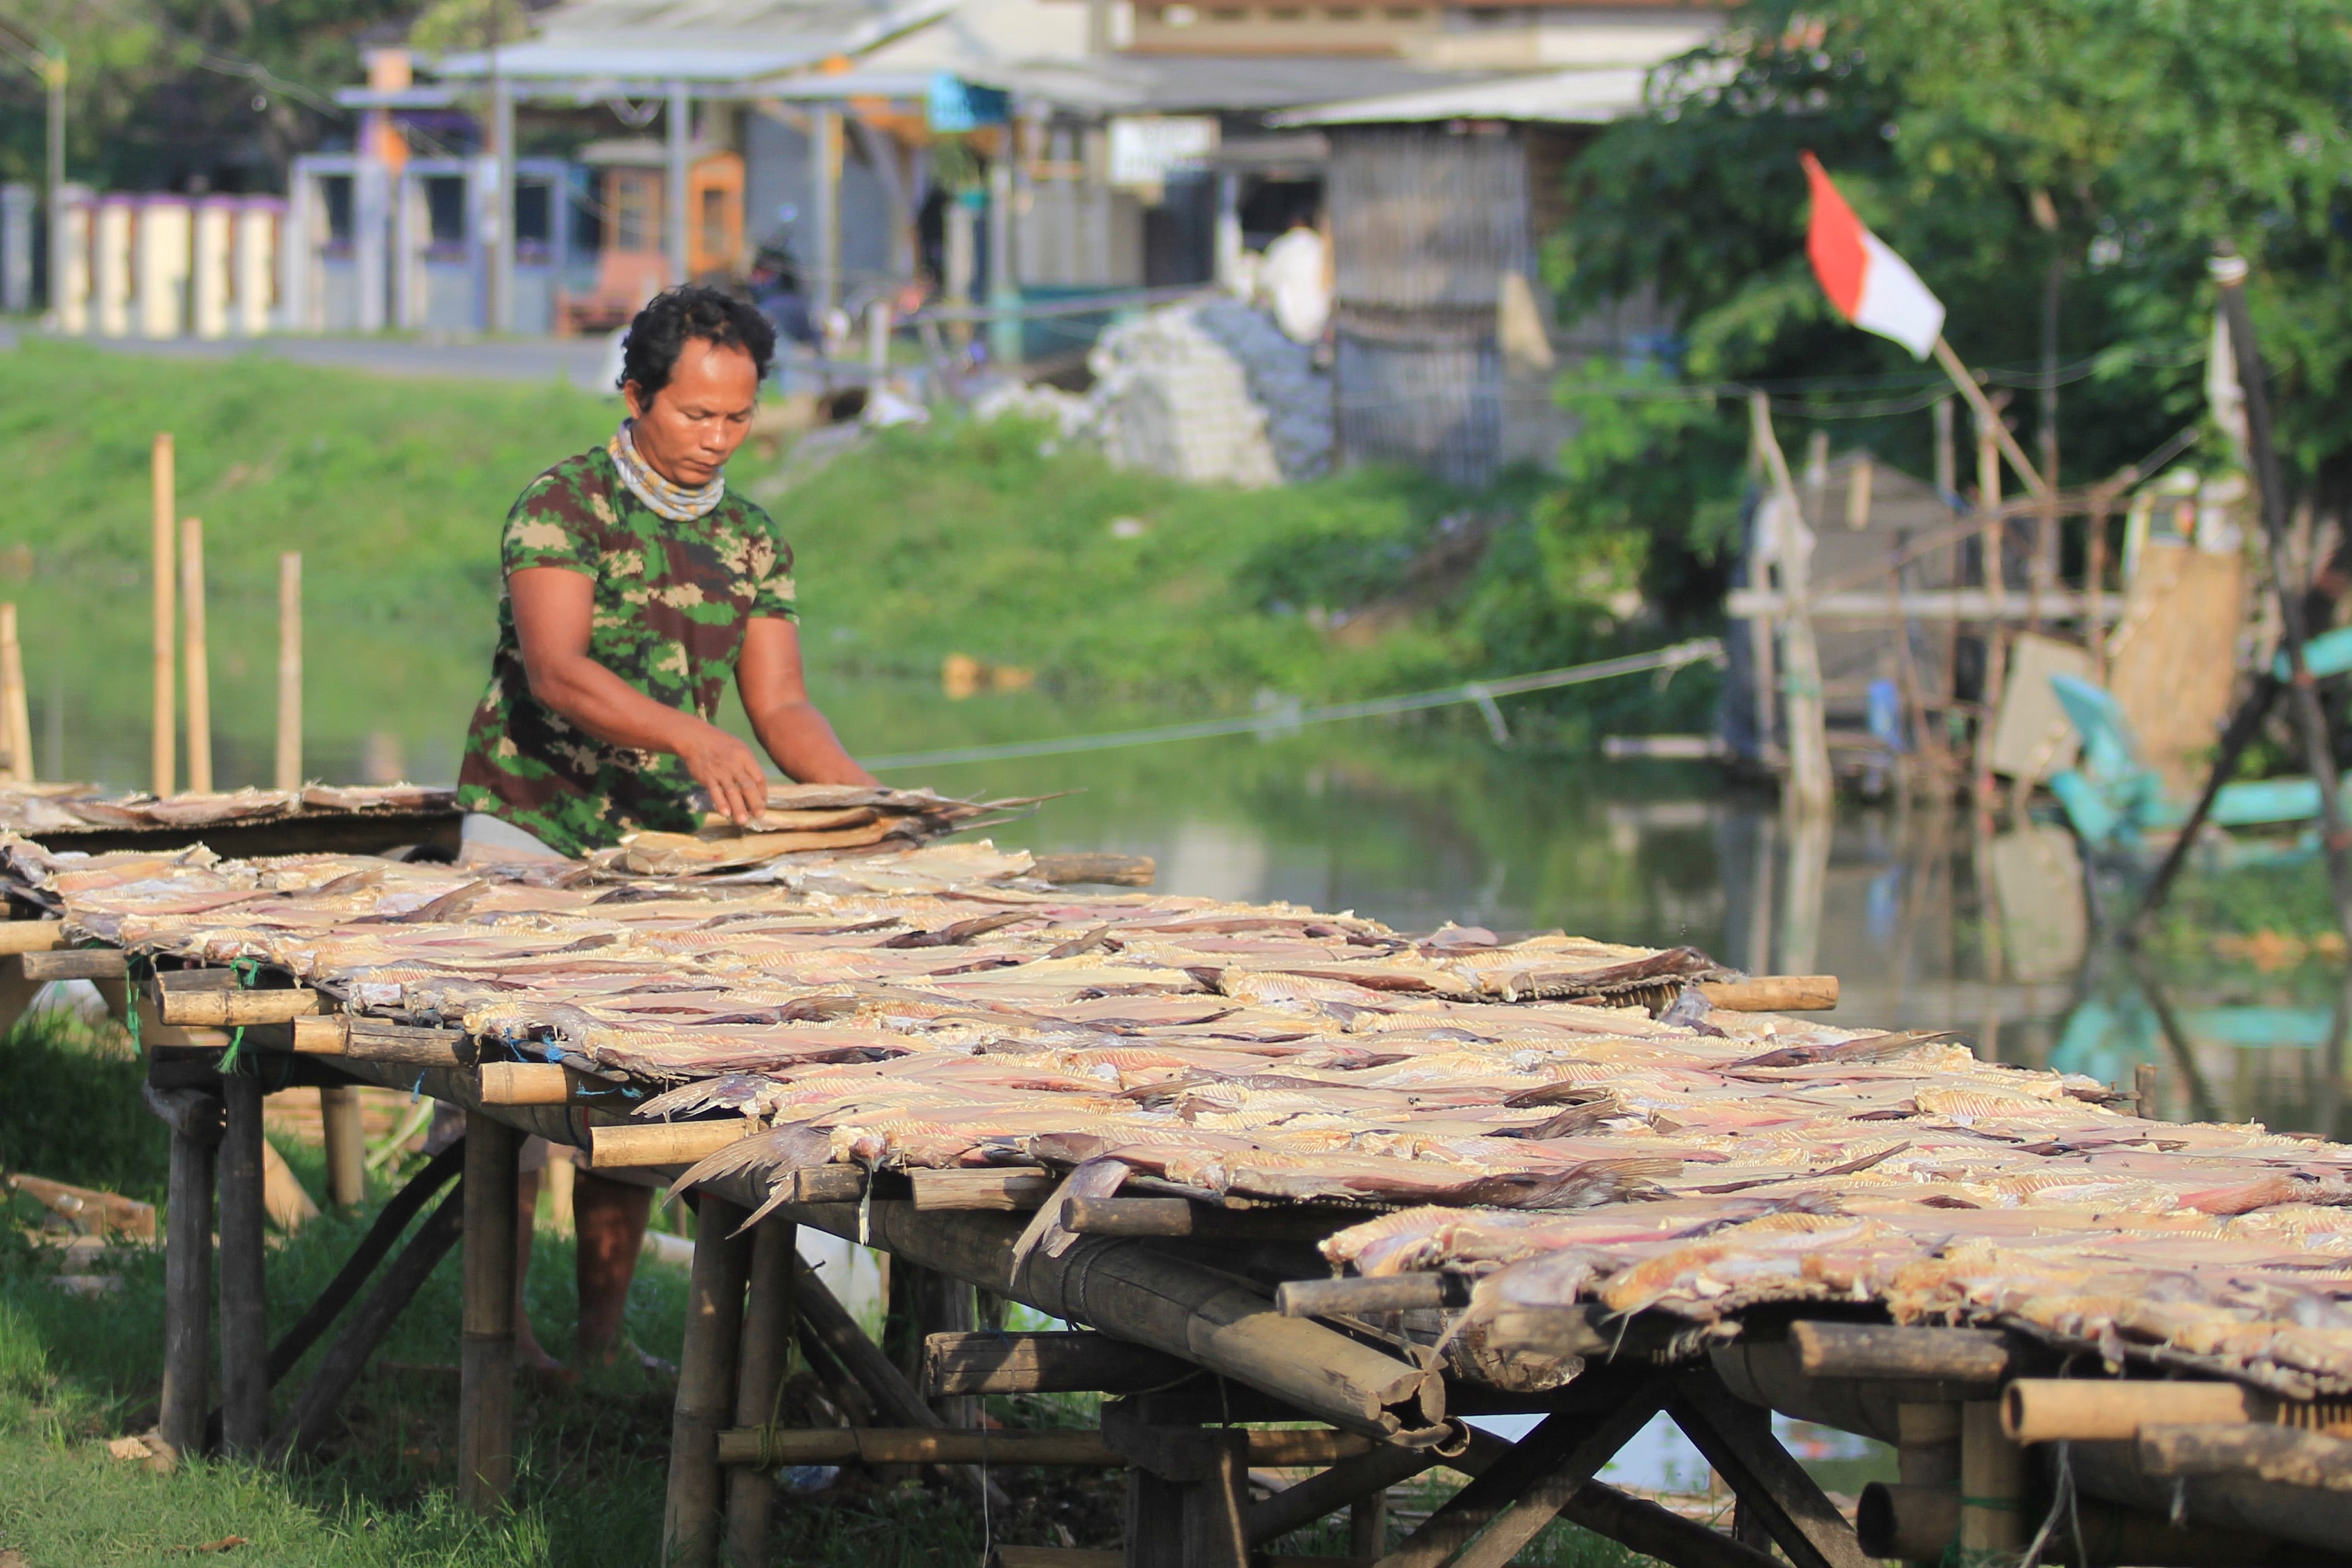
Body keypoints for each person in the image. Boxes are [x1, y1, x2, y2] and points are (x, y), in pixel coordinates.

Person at [450, 284, 876, 1369]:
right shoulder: (564, 505)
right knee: (508, 1094)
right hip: (533, 828)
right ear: (636, 395)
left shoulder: (748, 538)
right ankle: (497, 1338)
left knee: (632, 1092)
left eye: (737, 418)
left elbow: (779, 708)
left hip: (662, 857)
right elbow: (557, 672)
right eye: (695, 415)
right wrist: (693, 739)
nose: (717, 439)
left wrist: (869, 806)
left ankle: (598, 1343)